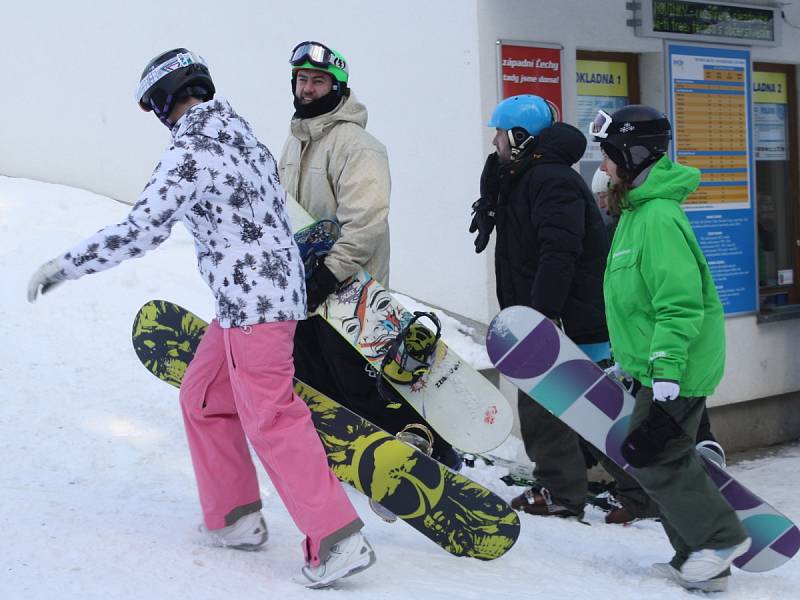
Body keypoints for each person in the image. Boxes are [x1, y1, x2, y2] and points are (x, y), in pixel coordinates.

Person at [27, 48, 375, 589]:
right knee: (203, 395)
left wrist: (66, 266)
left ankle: (337, 538)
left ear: (167, 98)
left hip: (254, 309)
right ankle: (235, 516)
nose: (158, 118)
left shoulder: (191, 151)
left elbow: (142, 228)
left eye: (153, 107)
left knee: (271, 417)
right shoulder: (242, 134)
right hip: (252, 301)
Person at [278, 40, 460, 475]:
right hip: (305, 289)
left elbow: (366, 220)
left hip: (352, 292)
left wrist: (330, 273)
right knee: (313, 377)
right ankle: (348, 457)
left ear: (338, 87)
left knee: (360, 383)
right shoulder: (294, 143)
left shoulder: (358, 146)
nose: (307, 89)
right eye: (302, 80)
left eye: (318, 80)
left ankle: (434, 458)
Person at [591, 104, 750, 592]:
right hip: (658, 364)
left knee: (651, 454)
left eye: (608, 156)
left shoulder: (658, 219)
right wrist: (631, 361)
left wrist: (665, 369)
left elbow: (678, 305)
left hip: (677, 366)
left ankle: (720, 539)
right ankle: (699, 564)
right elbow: (637, 304)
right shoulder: (638, 216)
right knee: (664, 454)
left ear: (633, 156)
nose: (602, 168)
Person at [470, 94, 612, 519]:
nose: (494, 142)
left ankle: (563, 491)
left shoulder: (550, 180)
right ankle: (600, 488)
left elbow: (560, 252)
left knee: (551, 405)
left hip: (560, 317)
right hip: (542, 313)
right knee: (580, 407)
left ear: (519, 136)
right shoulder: (523, 177)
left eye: (499, 133)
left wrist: (541, 316)